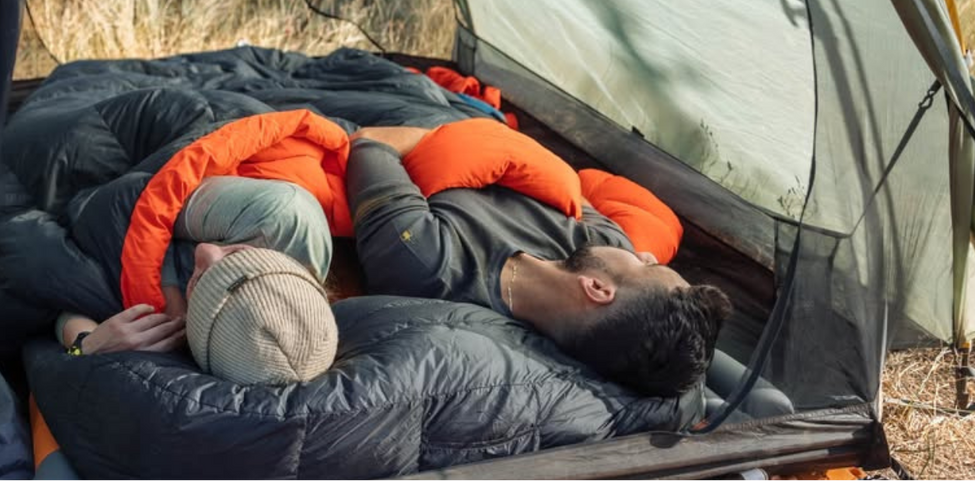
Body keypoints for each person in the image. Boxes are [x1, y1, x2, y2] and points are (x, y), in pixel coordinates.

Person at [346, 126, 730, 397]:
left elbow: (371, 143)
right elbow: (561, 180)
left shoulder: (431, 264)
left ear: (597, 289)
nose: (644, 253)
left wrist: (451, 137)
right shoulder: (604, 242)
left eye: (647, 267)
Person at [55, 176, 338, 385]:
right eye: (236, 257)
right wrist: (166, 292)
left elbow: (67, 303)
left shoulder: (214, 344)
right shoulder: (278, 215)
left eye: (202, 284)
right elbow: (143, 199)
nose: (206, 250)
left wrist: (87, 345)